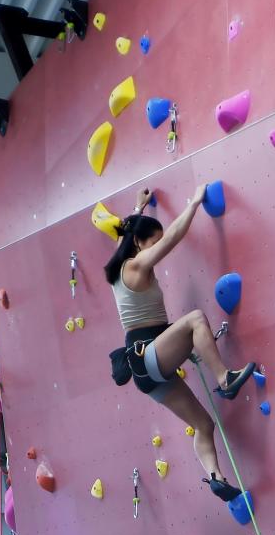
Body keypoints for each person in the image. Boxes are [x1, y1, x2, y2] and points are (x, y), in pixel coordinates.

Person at [105, 185, 255, 500]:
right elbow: (173, 237)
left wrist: (138, 206)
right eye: (152, 243)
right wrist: (195, 200)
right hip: (147, 353)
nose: (156, 250)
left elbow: (127, 234)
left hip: (148, 370)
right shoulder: (134, 266)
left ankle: (216, 478)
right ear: (139, 245)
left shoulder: (122, 266)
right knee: (196, 319)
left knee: (204, 424)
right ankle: (224, 379)